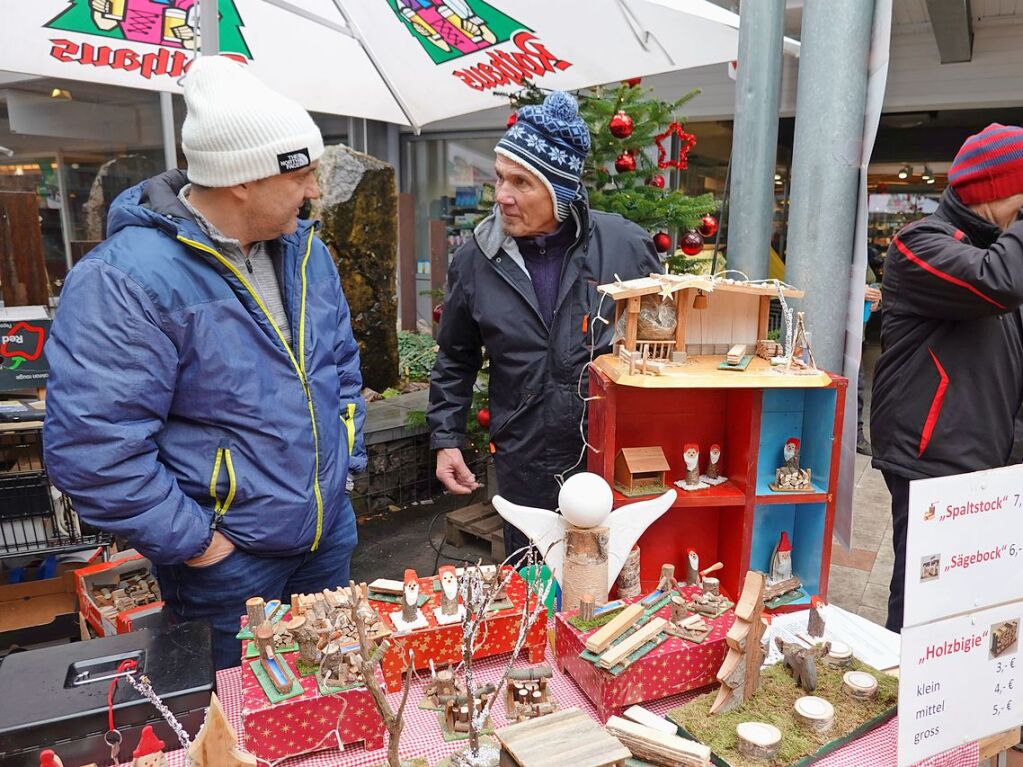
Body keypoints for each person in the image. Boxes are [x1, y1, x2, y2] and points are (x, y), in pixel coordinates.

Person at [43, 57, 366, 669]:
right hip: (226, 565)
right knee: (236, 726)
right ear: (243, 178)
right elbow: (93, 447)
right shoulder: (126, 279)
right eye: (301, 172)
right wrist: (197, 544)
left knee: (334, 697)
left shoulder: (305, 252)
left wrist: (343, 466)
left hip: (328, 539)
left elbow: (339, 364)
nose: (315, 189)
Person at [426, 91, 661, 555]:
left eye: (521, 182)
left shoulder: (626, 246)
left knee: (610, 579)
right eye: (500, 178)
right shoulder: (477, 259)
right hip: (523, 457)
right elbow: (456, 356)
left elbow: (663, 344)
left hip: (610, 452)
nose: (503, 196)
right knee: (531, 580)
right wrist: (447, 438)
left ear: (560, 188)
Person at [870, 123, 1023, 633]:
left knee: (974, 605)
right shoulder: (918, 244)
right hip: (931, 461)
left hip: (990, 463)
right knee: (924, 600)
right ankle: (902, 705)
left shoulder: (1000, 248)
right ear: (997, 191)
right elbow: (995, 282)